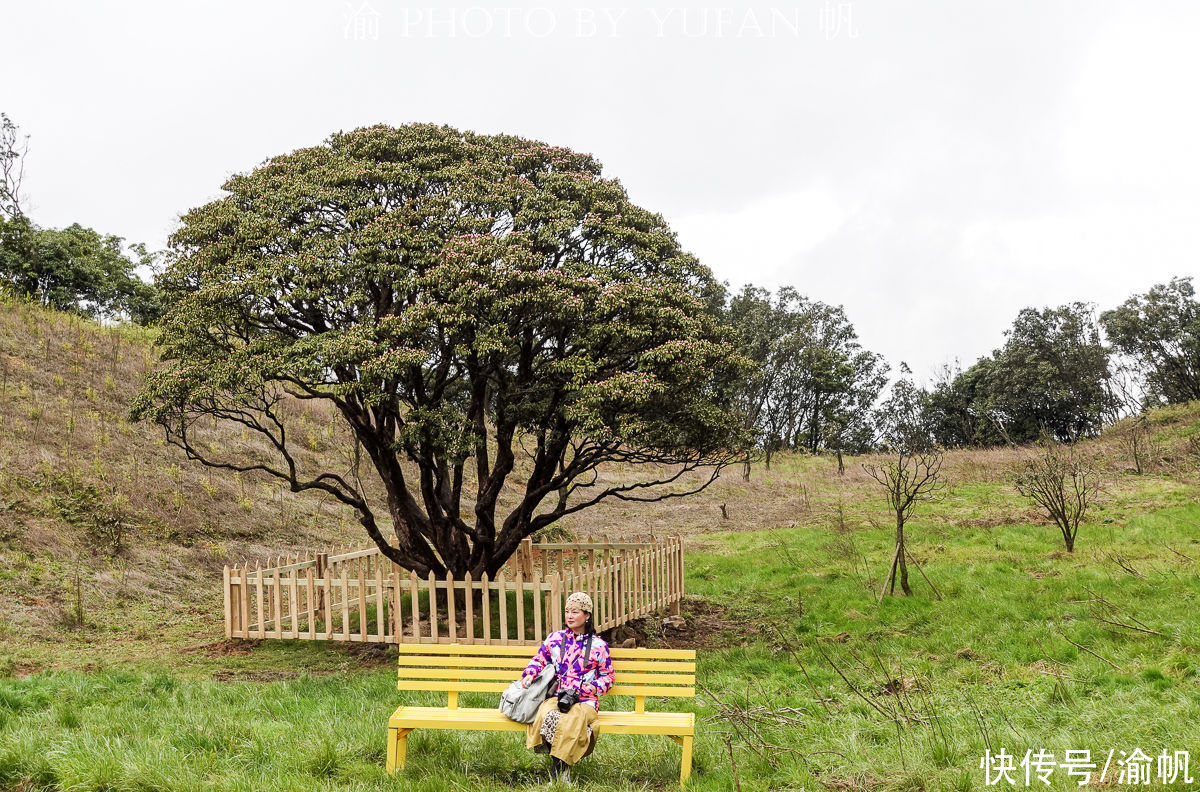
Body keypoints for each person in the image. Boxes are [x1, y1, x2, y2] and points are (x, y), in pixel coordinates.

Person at [521, 591, 614, 784]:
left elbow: (608, 676)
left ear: (587, 615)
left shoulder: (599, 646)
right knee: (550, 715)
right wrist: (530, 673)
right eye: (567, 611)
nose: (570, 616)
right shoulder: (555, 639)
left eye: (575, 611)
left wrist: (595, 687)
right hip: (558, 698)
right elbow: (540, 659)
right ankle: (562, 776)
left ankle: (559, 776)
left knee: (569, 720)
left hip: (585, 702)